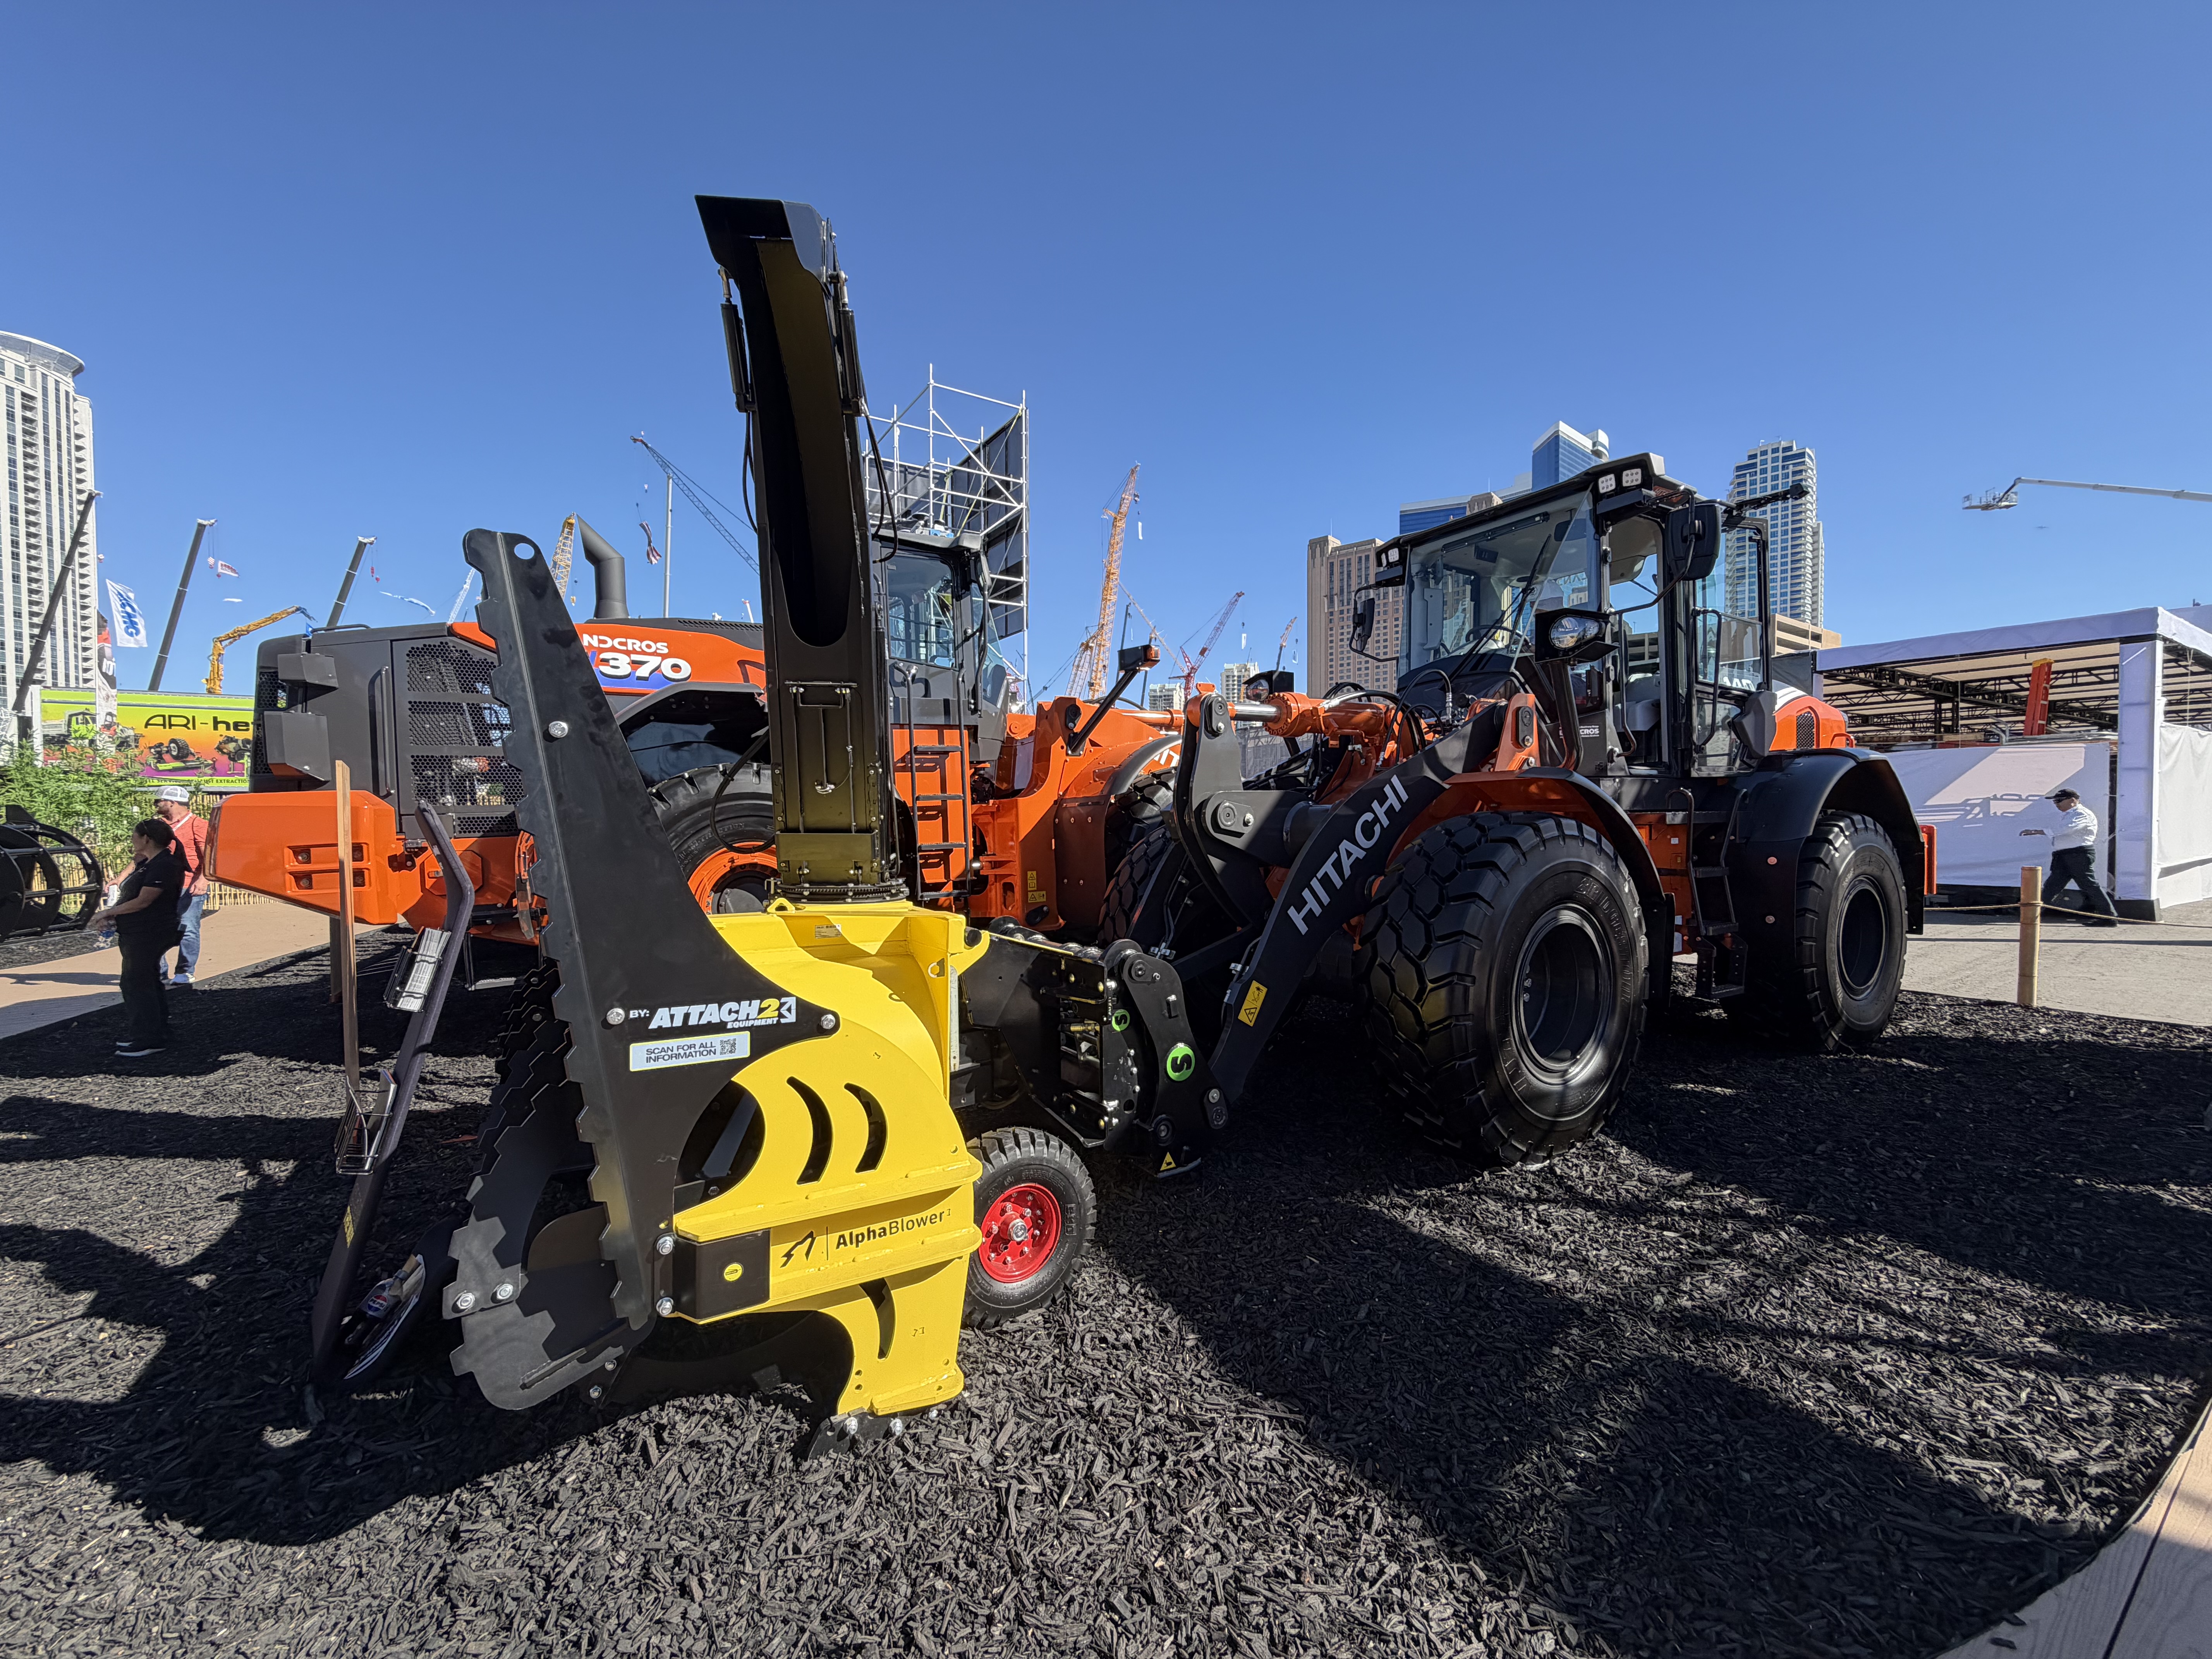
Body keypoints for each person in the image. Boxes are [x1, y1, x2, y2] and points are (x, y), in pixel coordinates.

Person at [88, 818, 187, 1057]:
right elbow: (131, 894)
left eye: (135, 835)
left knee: (136, 984)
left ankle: (148, 1039)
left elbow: (144, 901)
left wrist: (108, 912)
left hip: (150, 932)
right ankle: (157, 1034)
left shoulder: (164, 865)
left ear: (146, 839)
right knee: (147, 982)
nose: (132, 839)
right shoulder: (150, 863)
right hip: (139, 932)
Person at [2020, 787, 2119, 926]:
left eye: (2059, 801)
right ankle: (2033, 913)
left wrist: (2038, 831)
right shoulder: (2069, 814)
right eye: (2055, 801)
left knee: (2089, 885)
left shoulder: (2081, 814)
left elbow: (2065, 830)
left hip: (2078, 853)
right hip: (2065, 854)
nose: (2057, 804)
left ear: (2073, 801)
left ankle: (2109, 917)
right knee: (2052, 885)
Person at [152, 785, 209, 986]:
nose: (156, 803)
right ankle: (158, 973)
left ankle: (185, 972)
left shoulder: (197, 825)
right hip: (159, 886)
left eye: (159, 800)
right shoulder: (157, 826)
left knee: (187, 928)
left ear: (172, 803)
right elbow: (142, 855)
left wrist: (203, 879)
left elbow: (209, 856)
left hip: (188, 885)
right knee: (155, 929)